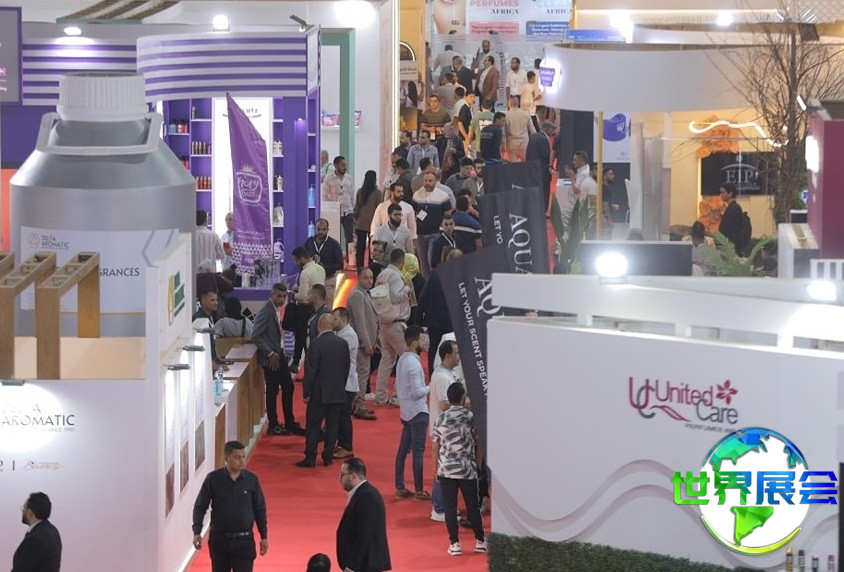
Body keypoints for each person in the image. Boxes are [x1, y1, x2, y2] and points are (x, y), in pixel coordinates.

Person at [192, 441, 269, 571]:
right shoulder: (213, 479)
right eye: (237, 457)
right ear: (227, 458)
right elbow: (200, 506)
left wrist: (264, 536)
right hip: (219, 541)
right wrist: (197, 531)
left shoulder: (252, 479)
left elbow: (259, 509)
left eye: (243, 456)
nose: (242, 461)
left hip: (244, 540)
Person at [432, 382, 486, 556]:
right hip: (467, 469)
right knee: (473, 506)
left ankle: (454, 544)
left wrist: (436, 467)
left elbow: (435, 447)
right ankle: (480, 541)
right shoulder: (471, 417)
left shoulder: (440, 418)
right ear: (463, 398)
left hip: (446, 470)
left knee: (450, 507)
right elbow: (479, 443)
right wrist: (478, 465)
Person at [297, 314, 350, 468]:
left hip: (318, 392)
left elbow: (311, 371)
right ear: (332, 326)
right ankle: (327, 457)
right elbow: (346, 368)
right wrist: (340, 386)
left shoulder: (315, 344)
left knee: (313, 425)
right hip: (337, 391)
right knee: (333, 425)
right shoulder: (343, 343)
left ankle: (310, 457)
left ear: (319, 326)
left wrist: (306, 392)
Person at [252, 283, 302, 436]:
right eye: (279, 296)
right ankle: (273, 424)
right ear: (272, 294)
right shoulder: (266, 311)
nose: (282, 299)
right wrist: (269, 353)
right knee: (273, 390)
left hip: (278, 354)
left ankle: (288, 421)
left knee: (288, 387)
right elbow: (256, 335)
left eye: (284, 296)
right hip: (271, 359)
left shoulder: (275, 309)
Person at [394, 325, 432, 501]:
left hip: (406, 412)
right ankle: (418, 490)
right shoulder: (414, 364)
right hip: (418, 412)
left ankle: (400, 487)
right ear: (415, 342)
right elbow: (418, 392)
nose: (425, 342)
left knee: (403, 451)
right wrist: (431, 386)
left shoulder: (402, 359)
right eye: (422, 339)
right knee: (418, 452)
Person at [427, 341, 463, 521]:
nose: (459, 356)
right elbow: (443, 404)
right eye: (456, 353)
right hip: (443, 431)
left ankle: (443, 506)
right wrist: (464, 403)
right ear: (447, 356)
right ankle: (439, 509)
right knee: (442, 470)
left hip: (448, 429)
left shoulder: (449, 373)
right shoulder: (442, 377)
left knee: (447, 470)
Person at [336, 457, 392, 572]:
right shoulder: (363, 493)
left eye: (342, 475)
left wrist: (352, 567)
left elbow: (364, 535)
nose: (339, 479)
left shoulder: (367, 497)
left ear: (353, 476)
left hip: (365, 566)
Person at [373, 248, 411, 406]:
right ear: (402, 261)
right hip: (395, 322)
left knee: (386, 360)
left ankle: (381, 397)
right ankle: (396, 397)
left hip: (384, 322)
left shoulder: (382, 274)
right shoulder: (395, 275)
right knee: (405, 358)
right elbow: (395, 297)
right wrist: (407, 288)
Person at [417, 248, 461, 379]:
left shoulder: (435, 274)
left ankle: (433, 379)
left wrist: (418, 323)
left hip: (434, 322)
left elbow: (423, 298)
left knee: (433, 352)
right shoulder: (462, 277)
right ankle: (450, 379)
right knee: (452, 353)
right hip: (452, 324)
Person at [346, 267, 379, 421]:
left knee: (362, 374)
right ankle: (358, 406)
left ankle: (357, 405)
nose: (369, 281)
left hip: (366, 341)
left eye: (371, 277)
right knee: (361, 375)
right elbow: (360, 322)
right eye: (366, 277)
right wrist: (367, 343)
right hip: (361, 343)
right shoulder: (357, 294)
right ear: (358, 277)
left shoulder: (364, 293)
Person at [290, 247, 325, 373]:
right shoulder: (320, 269)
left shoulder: (305, 273)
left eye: (296, 260)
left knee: (304, 339)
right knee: (306, 337)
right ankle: (296, 363)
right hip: (317, 307)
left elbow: (303, 297)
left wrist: (293, 294)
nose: (296, 263)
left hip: (304, 309)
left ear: (302, 258)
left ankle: (308, 370)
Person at [413, 171, 454, 278]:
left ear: (435, 181)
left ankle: (434, 281)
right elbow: (415, 212)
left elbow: (448, 214)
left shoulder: (443, 196)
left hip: (435, 233)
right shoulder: (417, 195)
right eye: (425, 181)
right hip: (421, 233)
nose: (427, 183)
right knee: (423, 261)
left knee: (431, 260)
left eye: (430, 181)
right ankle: (425, 283)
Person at [333, 306, 359, 459]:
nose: (333, 321)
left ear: (343, 320)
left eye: (335, 319)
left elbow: (338, 353)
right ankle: (342, 443)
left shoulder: (349, 335)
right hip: (341, 381)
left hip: (348, 383)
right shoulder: (340, 333)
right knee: (339, 415)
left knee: (344, 416)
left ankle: (347, 446)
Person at [13, 492, 62, 572]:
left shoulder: (34, 540)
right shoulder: (53, 530)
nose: (22, 511)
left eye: (24, 508)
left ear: (30, 513)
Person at [305, 219, 343, 305]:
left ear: (328, 230)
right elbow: (303, 259)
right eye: (318, 229)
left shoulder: (334, 244)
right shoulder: (309, 242)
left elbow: (340, 264)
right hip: (311, 281)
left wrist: (324, 268)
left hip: (328, 280)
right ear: (315, 229)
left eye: (324, 229)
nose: (321, 232)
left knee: (327, 308)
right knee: (310, 307)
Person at [322, 156, 356, 249]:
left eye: (345, 165)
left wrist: (353, 210)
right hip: (334, 212)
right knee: (334, 236)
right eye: (342, 165)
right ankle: (335, 255)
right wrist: (328, 210)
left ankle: (350, 257)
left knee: (350, 237)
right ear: (336, 165)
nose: (345, 167)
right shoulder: (328, 179)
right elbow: (324, 196)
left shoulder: (349, 178)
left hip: (348, 211)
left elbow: (352, 195)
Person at [526, 121, 558, 214]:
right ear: (546, 128)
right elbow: (546, 155)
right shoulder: (543, 139)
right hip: (542, 170)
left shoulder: (533, 136)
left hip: (532, 168)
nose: (553, 132)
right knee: (544, 192)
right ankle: (543, 212)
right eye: (552, 129)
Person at [354, 170, 383, 270]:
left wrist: (356, 220)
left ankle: (360, 268)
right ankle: (371, 268)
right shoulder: (378, 193)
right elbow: (380, 208)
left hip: (360, 223)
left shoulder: (360, 191)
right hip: (373, 224)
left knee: (360, 248)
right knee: (373, 248)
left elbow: (356, 207)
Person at [193, 287, 225, 368]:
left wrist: (217, 358)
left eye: (216, 300)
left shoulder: (209, 317)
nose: (216, 303)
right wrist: (211, 363)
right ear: (203, 301)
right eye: (212, 300)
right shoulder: (199, 319)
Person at [504, 96, 536, 162]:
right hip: (524, 142)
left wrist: (503, 144)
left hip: (511, 143)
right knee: (525, 164)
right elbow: (533, 131)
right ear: (518, 103)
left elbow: (503, 133)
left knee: (513, 165)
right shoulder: (526, 114)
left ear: (509, 104)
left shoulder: (506, 115)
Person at [194, 209, 225, 276]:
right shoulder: (214, 235)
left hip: (194, 276)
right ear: (206, 220)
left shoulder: (191, 236)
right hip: (210, 275)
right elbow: (221, 255)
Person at [718, 182, 745, 255]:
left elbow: (729, 229)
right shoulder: (733, 207)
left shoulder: (733, 208)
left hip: (731, 249)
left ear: (730, 194)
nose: (721, 195)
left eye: (723, 192)